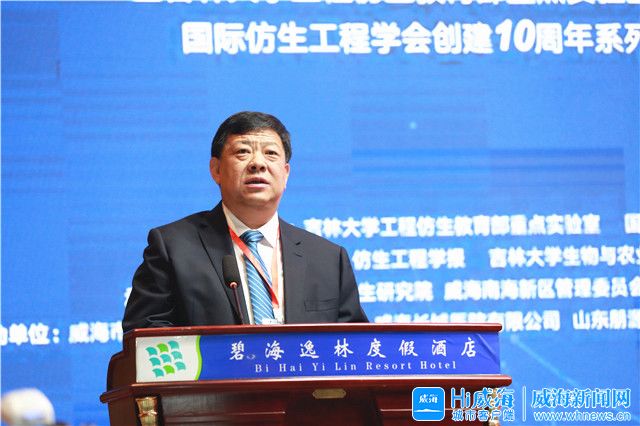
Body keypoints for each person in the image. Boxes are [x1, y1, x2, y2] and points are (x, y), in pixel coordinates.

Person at [123, 111, 367, 331]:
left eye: (270, 153)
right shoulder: (173, 247)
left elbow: (355, 345)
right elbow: (145, 335)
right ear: (216, 170)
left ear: (286, 174)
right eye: (243, 152)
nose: (258, 163)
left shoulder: (328, 259)